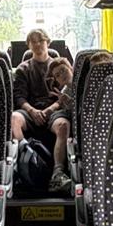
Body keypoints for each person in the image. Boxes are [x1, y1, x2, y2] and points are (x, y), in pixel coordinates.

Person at [10, 28, 55, 145]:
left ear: (48, 42)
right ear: (29, 45)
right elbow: (19, 96)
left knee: (63, 125)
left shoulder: (59, 67)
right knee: (14, 119)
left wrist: (50, 110)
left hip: (54, 111)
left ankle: (60, 158)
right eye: (33, 42)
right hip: (29, 111)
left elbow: (65, 94)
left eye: (41, 40)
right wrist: (31, 111)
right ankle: (26, 151)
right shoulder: (22, 69)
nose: (37, 44)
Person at [45, 56, 74, 195]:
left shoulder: (87, 84)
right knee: (63, 125)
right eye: (57, 75)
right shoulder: (64, 92)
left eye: (63, 70)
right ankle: (58, 173)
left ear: (71, 68)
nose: (62, 75)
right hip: (64, 116)